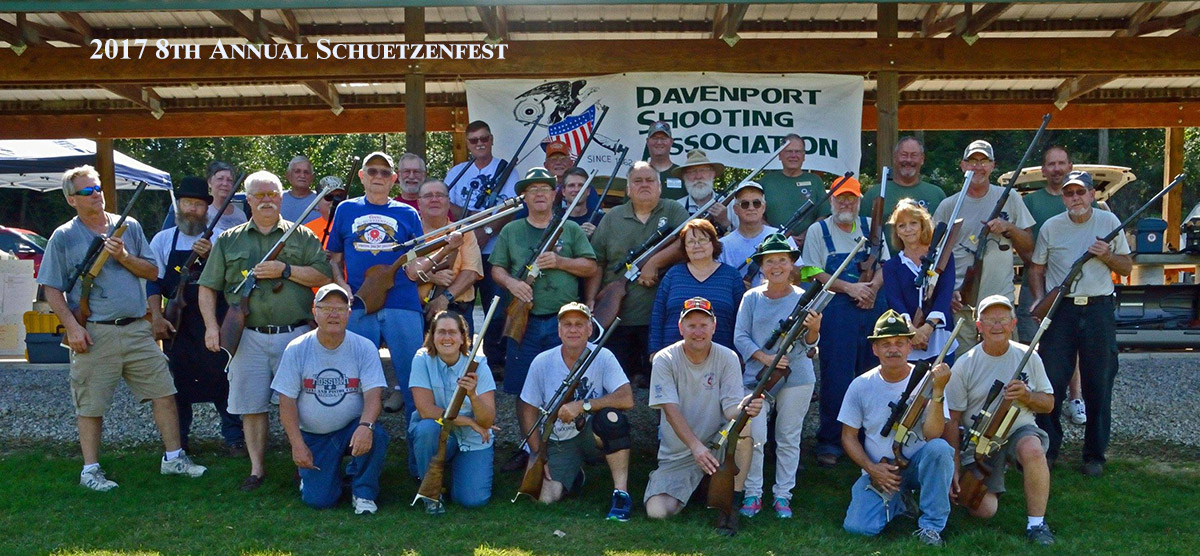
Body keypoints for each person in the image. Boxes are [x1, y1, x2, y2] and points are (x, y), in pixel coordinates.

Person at [40, 165, 206, 491]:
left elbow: (151, 270)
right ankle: (90, 470)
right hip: (95, 332)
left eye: (98, 188)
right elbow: (51, 289)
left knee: (164, 392)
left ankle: (174, 458)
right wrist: (73, 327)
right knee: (90, 404)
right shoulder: (64, 236)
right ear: (71, 200)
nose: (96, 195)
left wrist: (125, 257)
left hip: (136, 329)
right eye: (87, 191)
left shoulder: (127, 226)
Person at [198, 170, 333, 491]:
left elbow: (323, 276)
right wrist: (211, 327)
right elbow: (207, 287)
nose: (267, 200)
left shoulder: (300, 236)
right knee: (251, 405)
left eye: (273, 194)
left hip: (296, 335)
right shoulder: (230, 240)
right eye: (259, 195)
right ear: (248, 200)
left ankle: (301, 462)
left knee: (302, 404)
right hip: (247, 336)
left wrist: (285, 269)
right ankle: (257, 469)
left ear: (282, 198)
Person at [327, 152, 457, 418]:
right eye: (372, 171)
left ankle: (418, 444)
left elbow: (417, 264)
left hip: (403, 303)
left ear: (393, 179)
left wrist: (446, 248)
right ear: (362, 176)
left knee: (413, 378)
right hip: (361, 304)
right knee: (356, 379)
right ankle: (359, 444)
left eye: (384, 173)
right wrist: (342, 285)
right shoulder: (345, 209)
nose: (378, 177)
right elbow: (334, 258)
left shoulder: (408, 213)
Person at [491, 167, 597, 471]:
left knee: (566, 387)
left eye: (545, 188)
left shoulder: (570, 229)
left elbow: (590, 267)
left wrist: (560, 261)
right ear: (524, 196)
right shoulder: (512, 231)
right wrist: (513, 284)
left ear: (555, 194)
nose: (539, 194)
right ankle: (530, 449)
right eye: (532, 189)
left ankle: (566, 449)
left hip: (566, 324)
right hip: (526, 322)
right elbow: (496, 268)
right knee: (525, 388)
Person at [1027, 170, 1131, 476]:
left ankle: (1094, 455)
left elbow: (1126, 267)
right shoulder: (1051, 227)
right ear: (1064, 198)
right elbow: (1036, 268)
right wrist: (1039, 301)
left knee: (1099, 382)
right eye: (1070, 194)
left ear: (1092, 195)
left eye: (1081, 192)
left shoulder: (1109, 224)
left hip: (1098, 308)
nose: (1076, 198)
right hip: (1062, 310)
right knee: (1052, 381)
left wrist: (1107, 256)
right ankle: (1049, 449)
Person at [944, 295, 1056, 545]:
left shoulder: (1029, 357)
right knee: (983, 510)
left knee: (1033, 450)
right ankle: (995, 480)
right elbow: (952, 419)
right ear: (979, 326)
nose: (997, 326)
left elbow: (1048, 403)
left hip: (1018, 429)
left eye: (1003, 320)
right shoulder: (965, 364)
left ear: (1013, 324)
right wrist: (955, 464)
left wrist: (1027, 396)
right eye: (990, 320)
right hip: (980, 440)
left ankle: (1036, 524)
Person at [147, 176, 244, 457]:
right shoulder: (163, 240)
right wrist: (156, 316)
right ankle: (179, 441)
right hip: (179, 322)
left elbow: (236, 279)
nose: (192, 209)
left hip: (217, 318)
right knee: (178, 383)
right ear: (178, 205)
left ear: (207, 208)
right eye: (187, 203)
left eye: (198, 205)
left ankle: (234, 438)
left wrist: (214, 254)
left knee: (225, 378)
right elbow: (153, 282)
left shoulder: (224, 240)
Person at [840, 310, 954, 546]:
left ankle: (931, 526)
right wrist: (872, 468)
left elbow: (934, 434)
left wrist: (939, 391)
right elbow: (848, 437)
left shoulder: (929, 381)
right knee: (858, 528)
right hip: (883, 469)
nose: (893, 349)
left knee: (940, 450)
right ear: (875, 349)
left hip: (919, 466)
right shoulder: (860, 385)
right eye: (886, 344)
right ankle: (900, 501)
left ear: (909, 347)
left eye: (900, 343)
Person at [644, 297, 763, 524]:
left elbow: (731, 410)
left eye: (704, 325)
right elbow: (670, 411)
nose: (698, 331)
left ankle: (732, 503)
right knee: (657, 511)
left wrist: (745, 409)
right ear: (681, 328)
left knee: (746, 428)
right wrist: (696, 448)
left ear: (714, 327)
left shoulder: (728, 357)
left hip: (717, 446)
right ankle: (702, 488)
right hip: (679, 454)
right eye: (692, 325)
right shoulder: (664, 359)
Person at [272, 283, 388, 514]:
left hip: (350, 429)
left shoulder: (364, 347)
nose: (333, 314)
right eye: (326, 308)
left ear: (348, 313)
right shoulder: (296, 349)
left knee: (377, 435)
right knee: (320, 500)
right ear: (315, 312)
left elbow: (375, 394)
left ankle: (363, 493)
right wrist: (297, 444)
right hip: (314, 436)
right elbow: (286, 402)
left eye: (339, 308)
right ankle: (325, 479)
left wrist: (365, 426)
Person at [799, 176, 887, 467]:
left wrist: (871, 288)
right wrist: (850, 288)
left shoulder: (871, 227)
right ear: (831, 199)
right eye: (841, 197)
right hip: (837, 308)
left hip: (872, 306)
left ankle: (868, 440)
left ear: (859, 200)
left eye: (852, 197)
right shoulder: (818, 230)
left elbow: (884, 265)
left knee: (872, 373)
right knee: (837, 376)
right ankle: (831, 441)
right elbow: (811, 270)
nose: (846, 202)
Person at [732, 234, 821, 519]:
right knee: (755, 435)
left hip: (797, 377)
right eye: (770, 261)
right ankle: (753, 492)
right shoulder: (751, 298)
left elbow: (810, 346)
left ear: (792, 264)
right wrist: (765, 358)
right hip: (758, 377)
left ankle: (783, 495)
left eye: (782, 260)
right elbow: (740, 337)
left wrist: (814, 328)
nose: (777, 266)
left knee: (788, 438)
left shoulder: (805, 300)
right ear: (762, 266)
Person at [519, 302, 635, 520]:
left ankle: (621, 494)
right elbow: (528, 408)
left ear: (590, 330)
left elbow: (627, 398)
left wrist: (583, 405)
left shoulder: (603, 356)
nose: (573, 330)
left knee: (613, 420)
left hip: (592, 434)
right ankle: (575, 477)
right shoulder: (541, 362)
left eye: (580, 324)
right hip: (558, 440)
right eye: (568, 324)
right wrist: (538, 453)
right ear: (559, 330)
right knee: (544, 499)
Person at [586, 161, 690, 387]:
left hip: (659, 319)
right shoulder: (612, 217)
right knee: (616, 383)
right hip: (618, 320)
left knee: (661, 382)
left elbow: (689, 238)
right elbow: (598, 263)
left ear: (660, 187)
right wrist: (591, 300)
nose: (644, 185)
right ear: (628, 189)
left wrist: (654, 262)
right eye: (638, 181)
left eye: (650, 180)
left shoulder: (672, 210)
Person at [932, 139, 1035, 355]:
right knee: (962, 367)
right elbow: (933, 256)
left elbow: (1028, 246)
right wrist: (946, 293)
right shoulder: (949, 206)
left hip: (1000, 304)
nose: (978, 166)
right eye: (972, 161)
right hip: (961, 305)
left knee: (1006, 365)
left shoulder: (1010, 198)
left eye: (984, 161)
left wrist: (1008, 228)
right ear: (962, 165)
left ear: (992, 165)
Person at [1019, 146, 1087, 425]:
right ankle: (1034, 402)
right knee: (1032, 343)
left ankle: (1075, 399)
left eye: (1061, 163)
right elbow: (1024, 246)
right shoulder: (1031, 202)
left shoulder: (1082, 198)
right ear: (1043, 170)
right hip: (1036, 284)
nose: (1057, 168)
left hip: (1073, 288)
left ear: (1069, 165)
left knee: (1072, 345)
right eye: (1051, 164)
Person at [446, 120, 520, 376]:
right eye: (474, 140)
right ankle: (458, 358)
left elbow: (511, 210)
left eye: (484, 139)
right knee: (460, 305)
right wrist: (482, 219)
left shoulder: (507, 171)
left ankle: (496, 361)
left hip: (494, 251)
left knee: (496, 308)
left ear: (491, 139)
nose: (479, 144)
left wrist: (486, 230)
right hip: (464, 250)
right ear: (467, 144)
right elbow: (449, 206)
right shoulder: (455, 172)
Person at [409, 310, 497, 513]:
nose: (446, 338)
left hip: (472, 438)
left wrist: (473, 395)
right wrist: (467, 421)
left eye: (452, 332)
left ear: (462, 338)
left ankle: (453, 474)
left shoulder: (479, 365)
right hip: (439, 430)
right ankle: (432, 493)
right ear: (432, 336)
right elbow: (425, 409)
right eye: (440, 332)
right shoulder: (421, 359)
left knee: (472, 500)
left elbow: (487, 420)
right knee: (426, 429)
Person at [649, 219, 744, 355]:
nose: (697, 245)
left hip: (721, 359)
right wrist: (655, 352)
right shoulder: (673, 275)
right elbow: (658, 315)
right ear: (685, 248)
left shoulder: (731, 276)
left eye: (702, 240)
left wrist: (738, 355)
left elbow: (741, 320)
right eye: (691, 242)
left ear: (713, 243)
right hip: (674, 359)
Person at [882, 199, 957, 363]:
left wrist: (928, 327)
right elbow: (894, 300)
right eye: (901, 225)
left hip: (939, 335)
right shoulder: (890, 266)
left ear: (922, 225)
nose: (908, 229)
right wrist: (912, 330)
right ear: (897, 231)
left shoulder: (942, 258)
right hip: (908, 338)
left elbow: (945, 293)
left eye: (913, 223)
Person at [860, 136, 947, 253]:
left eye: (914, 155)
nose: (909, 160)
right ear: (895, 158)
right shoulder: (875, 194)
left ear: (922, 159)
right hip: (884, 267)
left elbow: (945, 237)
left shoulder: (936, 194)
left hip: (926, 267)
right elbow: (861, 232)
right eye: (904, 155)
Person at [416, 179, 482, 328]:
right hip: (416, 313)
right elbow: (402, 272)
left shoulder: (464, 232)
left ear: (448, 201)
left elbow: (471, 272)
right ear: (419, 203)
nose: (434, 199)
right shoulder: (410, 234)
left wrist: (443, 299)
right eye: (428, 196)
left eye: (440, 195)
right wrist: (430, 277)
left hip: (456, 310)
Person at [717, 181, 800, 288]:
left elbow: (798, 275)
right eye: (745, 204)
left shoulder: (780, 237)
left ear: (763, 207)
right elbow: (718, 283)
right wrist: (737, 287)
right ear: (735, 209)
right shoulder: (723, 245)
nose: (751, 208)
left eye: (756, 203)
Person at [759, 133, 828, 245]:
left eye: (798, 151)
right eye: (789, 151)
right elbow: (757, 216)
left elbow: (824, 215)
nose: (793, 155)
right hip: (774, 245)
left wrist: (806, 235)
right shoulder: (766, 182)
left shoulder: (815, 181)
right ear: (780, 155)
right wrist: (779, 237)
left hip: (810, 244)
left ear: (804, 156)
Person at [162, 160, 247, 232]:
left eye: (230, 180)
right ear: (209, 182)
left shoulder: (240, 215)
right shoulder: (197, 211)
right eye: (220, 179)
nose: (225, 183)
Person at [672, 149, 731, 233]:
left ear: (713, 174)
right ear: (684, 177)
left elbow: (745, 238)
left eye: (703, 170)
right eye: (692, 172)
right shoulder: (676, 208)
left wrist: (725, 222)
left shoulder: (729, 204)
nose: (698, 176)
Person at [303, 176, 347, 248]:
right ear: (317, 200)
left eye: (339, 196)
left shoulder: (352, 225)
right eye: (329, 197)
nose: (335, 201)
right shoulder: (307, 230)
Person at [644, 120, 684, 200]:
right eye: (654, 138)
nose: (659, 142)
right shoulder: (638, 175)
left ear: (671, 142)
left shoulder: (681, 174)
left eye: (663, 138)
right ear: (647, 142)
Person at [280, 155, 319, 224]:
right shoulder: (277, 199)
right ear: (288, 175)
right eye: (297, 171)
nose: (302, 176)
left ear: (312, 177)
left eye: (306, 172)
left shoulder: (321, 200)